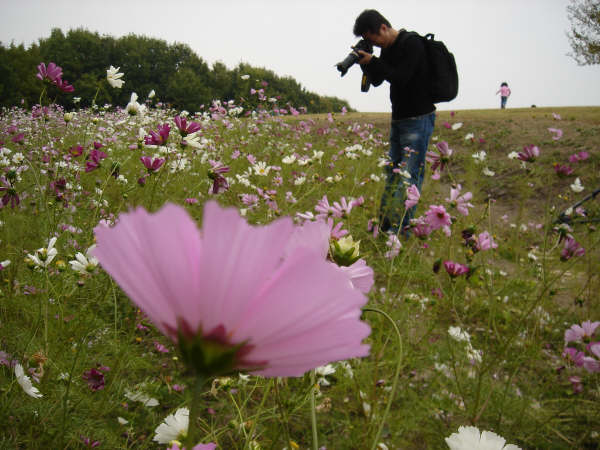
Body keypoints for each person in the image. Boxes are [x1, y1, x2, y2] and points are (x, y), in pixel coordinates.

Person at [352, 9, 436, 236]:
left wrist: (374, 61)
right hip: (399, 119)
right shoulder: (387, 50)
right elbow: (378, 80)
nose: (375, 45)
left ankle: (399, 232)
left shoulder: (412, 43)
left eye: (373, 39)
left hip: (418, 118)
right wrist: (366, 63)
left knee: (409, 177)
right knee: (393, 174)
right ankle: (385, 227)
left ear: (383, 27)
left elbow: (401, 77)